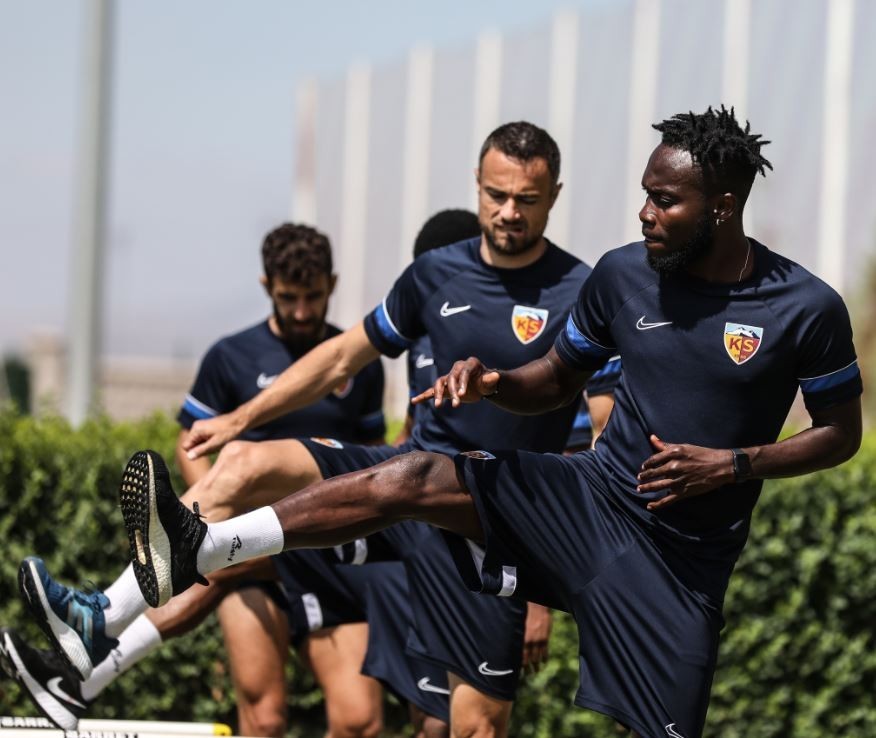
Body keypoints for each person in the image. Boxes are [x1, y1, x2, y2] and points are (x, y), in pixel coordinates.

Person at [118, 107, 862, 738]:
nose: (644, 213)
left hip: (679, 566)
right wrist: (498, 383)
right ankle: (205, 545)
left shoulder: (806, 308)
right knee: (414, 474)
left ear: (722, 208)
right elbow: (556, 379)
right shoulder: (622, 273)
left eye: (664, 201)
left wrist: (732, 464)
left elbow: (840, 434)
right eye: (644, 194)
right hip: (592, 499)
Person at [14, 121, 595, 738]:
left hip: (485, 528)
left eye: (526, 199)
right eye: (497, 195)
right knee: (242, 464)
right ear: (476, 184)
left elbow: (599, 433)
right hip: (404, 493)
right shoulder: (432, 274)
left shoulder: (583, 291)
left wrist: (550, 572)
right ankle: (101, 618)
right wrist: (240, 418)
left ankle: (87, 663)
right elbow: (341, 357)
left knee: (461, 726)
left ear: (554, 195)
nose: (509, 212)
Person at [3, 223, 396, 738]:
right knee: (264, 718)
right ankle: (95, 653)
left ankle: (82, 669)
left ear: (333, 284)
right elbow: (193, 448)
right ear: (266, 286)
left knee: (360, 722)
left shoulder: (356, 361)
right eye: (288, 298)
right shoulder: (231, 356)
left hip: (327, 546)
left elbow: (369, 458)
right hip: (251, 553)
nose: (302, 311)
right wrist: (211, 519)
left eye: (314, 297)